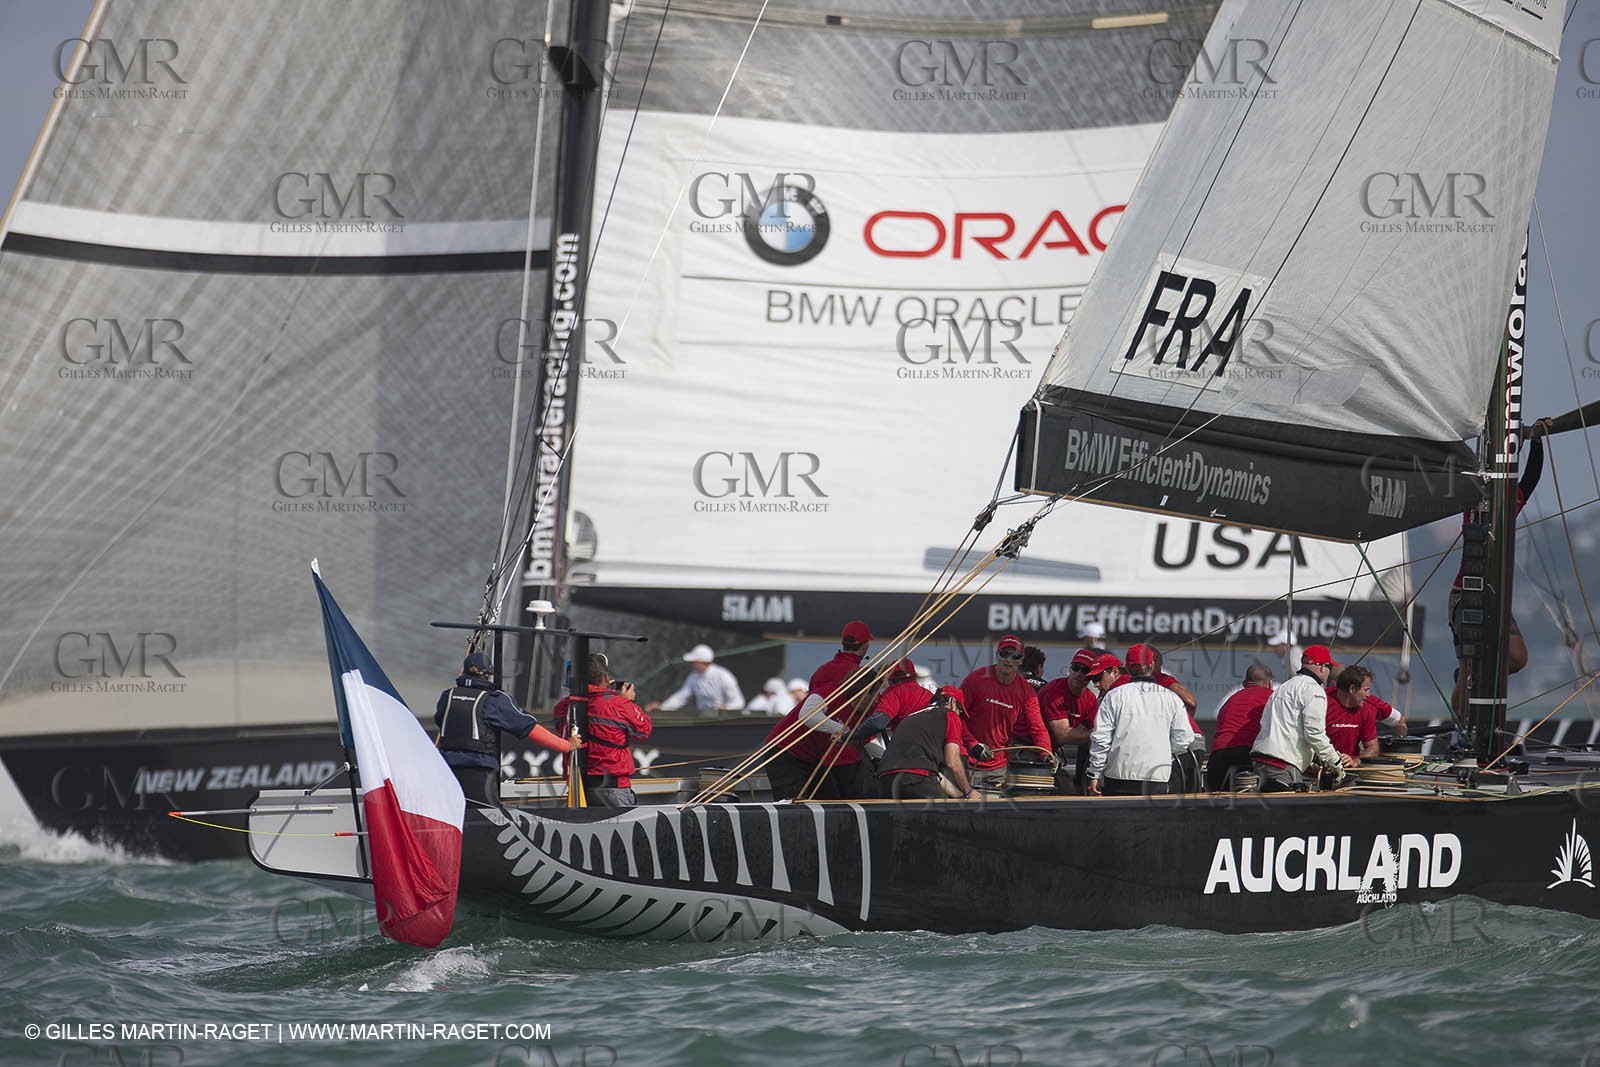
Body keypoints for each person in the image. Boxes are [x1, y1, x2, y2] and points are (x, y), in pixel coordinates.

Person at [1450, 426, 1545, 716]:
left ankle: (1473, 679)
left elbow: (1531, 478)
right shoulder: (1474, 502)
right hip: (1466, 594)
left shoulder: (1510, 503)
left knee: (1517, 659)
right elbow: (1462, 472)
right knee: (1470, 667)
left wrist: (1536, 440)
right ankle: (1462, 730)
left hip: (1495, 597)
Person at [435, 652, 574, 806]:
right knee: (485, 822)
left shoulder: (446, 697)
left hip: (447, 772)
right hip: (478, 772)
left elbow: (441, 721)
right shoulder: (494, 700)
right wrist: (566, 745)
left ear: (463, 671)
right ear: (488, 675)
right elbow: (529, 728)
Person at [764, 620, 874, 800]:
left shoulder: (822, 671)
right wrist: (844, 731)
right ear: (865, 647)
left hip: (811, 751)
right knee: (796, 808)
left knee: (820, 801)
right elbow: (810, 715)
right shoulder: (855, 680)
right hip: (797, 751)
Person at [1085, 644, 1196, 796]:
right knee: (1155, 820)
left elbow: (1101, 738)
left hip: (1118, 778)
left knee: (1117, 820)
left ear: (1128, 669)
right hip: (1157, 778)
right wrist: (1162, 755)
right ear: (1151, 665)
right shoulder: (1171, 698)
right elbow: (1184, 738)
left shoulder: (1113, 696)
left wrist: (1095, 774)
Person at [554, 652, 653, 808]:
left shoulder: (562, 708)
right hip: (612, 789)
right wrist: (629, 702)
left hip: (578, 788)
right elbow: (643, 730)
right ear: (606, 678)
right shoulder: (618, 705)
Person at [959, 634, 1052, 791]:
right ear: (997, 655)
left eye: (1015, 656)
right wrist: (972, 744)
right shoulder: (975, 680)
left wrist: (1046, 753)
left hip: (997, 767)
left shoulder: (1026, 692)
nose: (1009, 660)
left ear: (1021, 660)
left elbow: (1037, 728)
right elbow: (956, 716)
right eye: (1004, 654)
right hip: (966, 762)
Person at [1251, 644, 1345, 792]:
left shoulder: (1282, 688)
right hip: (1282, 765)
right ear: (1321, 667)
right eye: (1329, 668)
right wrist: (1336, 762)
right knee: (1287, 812)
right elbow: (1314, 733)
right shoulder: (1315, 691)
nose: (1328, 673)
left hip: (1259, 760)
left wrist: (1312, 757)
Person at [876, 686, 976, 801]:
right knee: (946, 817)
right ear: (953, 703)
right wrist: (968, 791)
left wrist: (959, 795)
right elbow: (952, 762)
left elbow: (933, 772)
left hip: (885, 780)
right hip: (916, 779)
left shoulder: (911, 717)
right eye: (960, 711)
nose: (959, 715)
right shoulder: (951, 715)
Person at [1206, 662, 1275, 791]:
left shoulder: (1229, 701)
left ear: (1244, 684)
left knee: (1216, 806)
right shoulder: (1272, 698)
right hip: (1247, 755)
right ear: (1270, 683)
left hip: (1218, 756)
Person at [647, 643, 743, 715]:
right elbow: (681, 697)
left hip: (723, 719)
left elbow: (739, 703)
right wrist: (662, 708)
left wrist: (726, 709)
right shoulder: (693, 677)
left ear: (702, 662)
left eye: (694, 662)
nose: (691, 664)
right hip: (704, 718)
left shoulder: (724, 676)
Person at [1324, 664, 1380, 763]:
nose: (1368, 695)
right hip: (1319, 767)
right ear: (1352, 689)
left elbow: (1373, 748)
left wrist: (1356, 761)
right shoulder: (1322, 703)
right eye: (1366, 690)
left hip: (1349, 768)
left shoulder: (1367, 709)